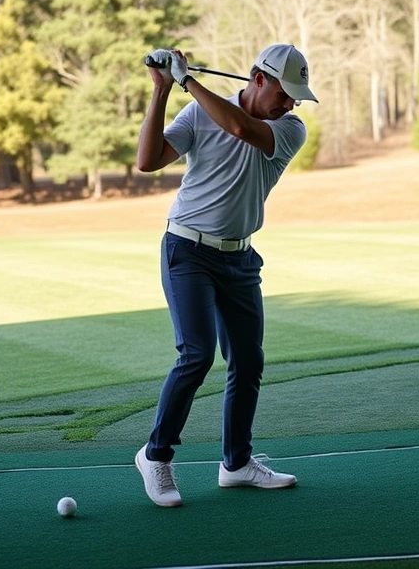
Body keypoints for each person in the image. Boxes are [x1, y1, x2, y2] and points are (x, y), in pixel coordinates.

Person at [133, 44, 316, 507]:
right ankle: (155, 456)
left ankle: (236, 465)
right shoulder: (197, 114)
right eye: (286, 91)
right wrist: (161, 91)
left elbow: (238, 127)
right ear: (258, 79)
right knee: (196, 355)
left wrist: (187, 80)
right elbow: (148, 160)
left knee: (248, 362)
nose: (291, 102)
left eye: (296, 95)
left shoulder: (289, 128)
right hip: (187, 251)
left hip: (239, 259)